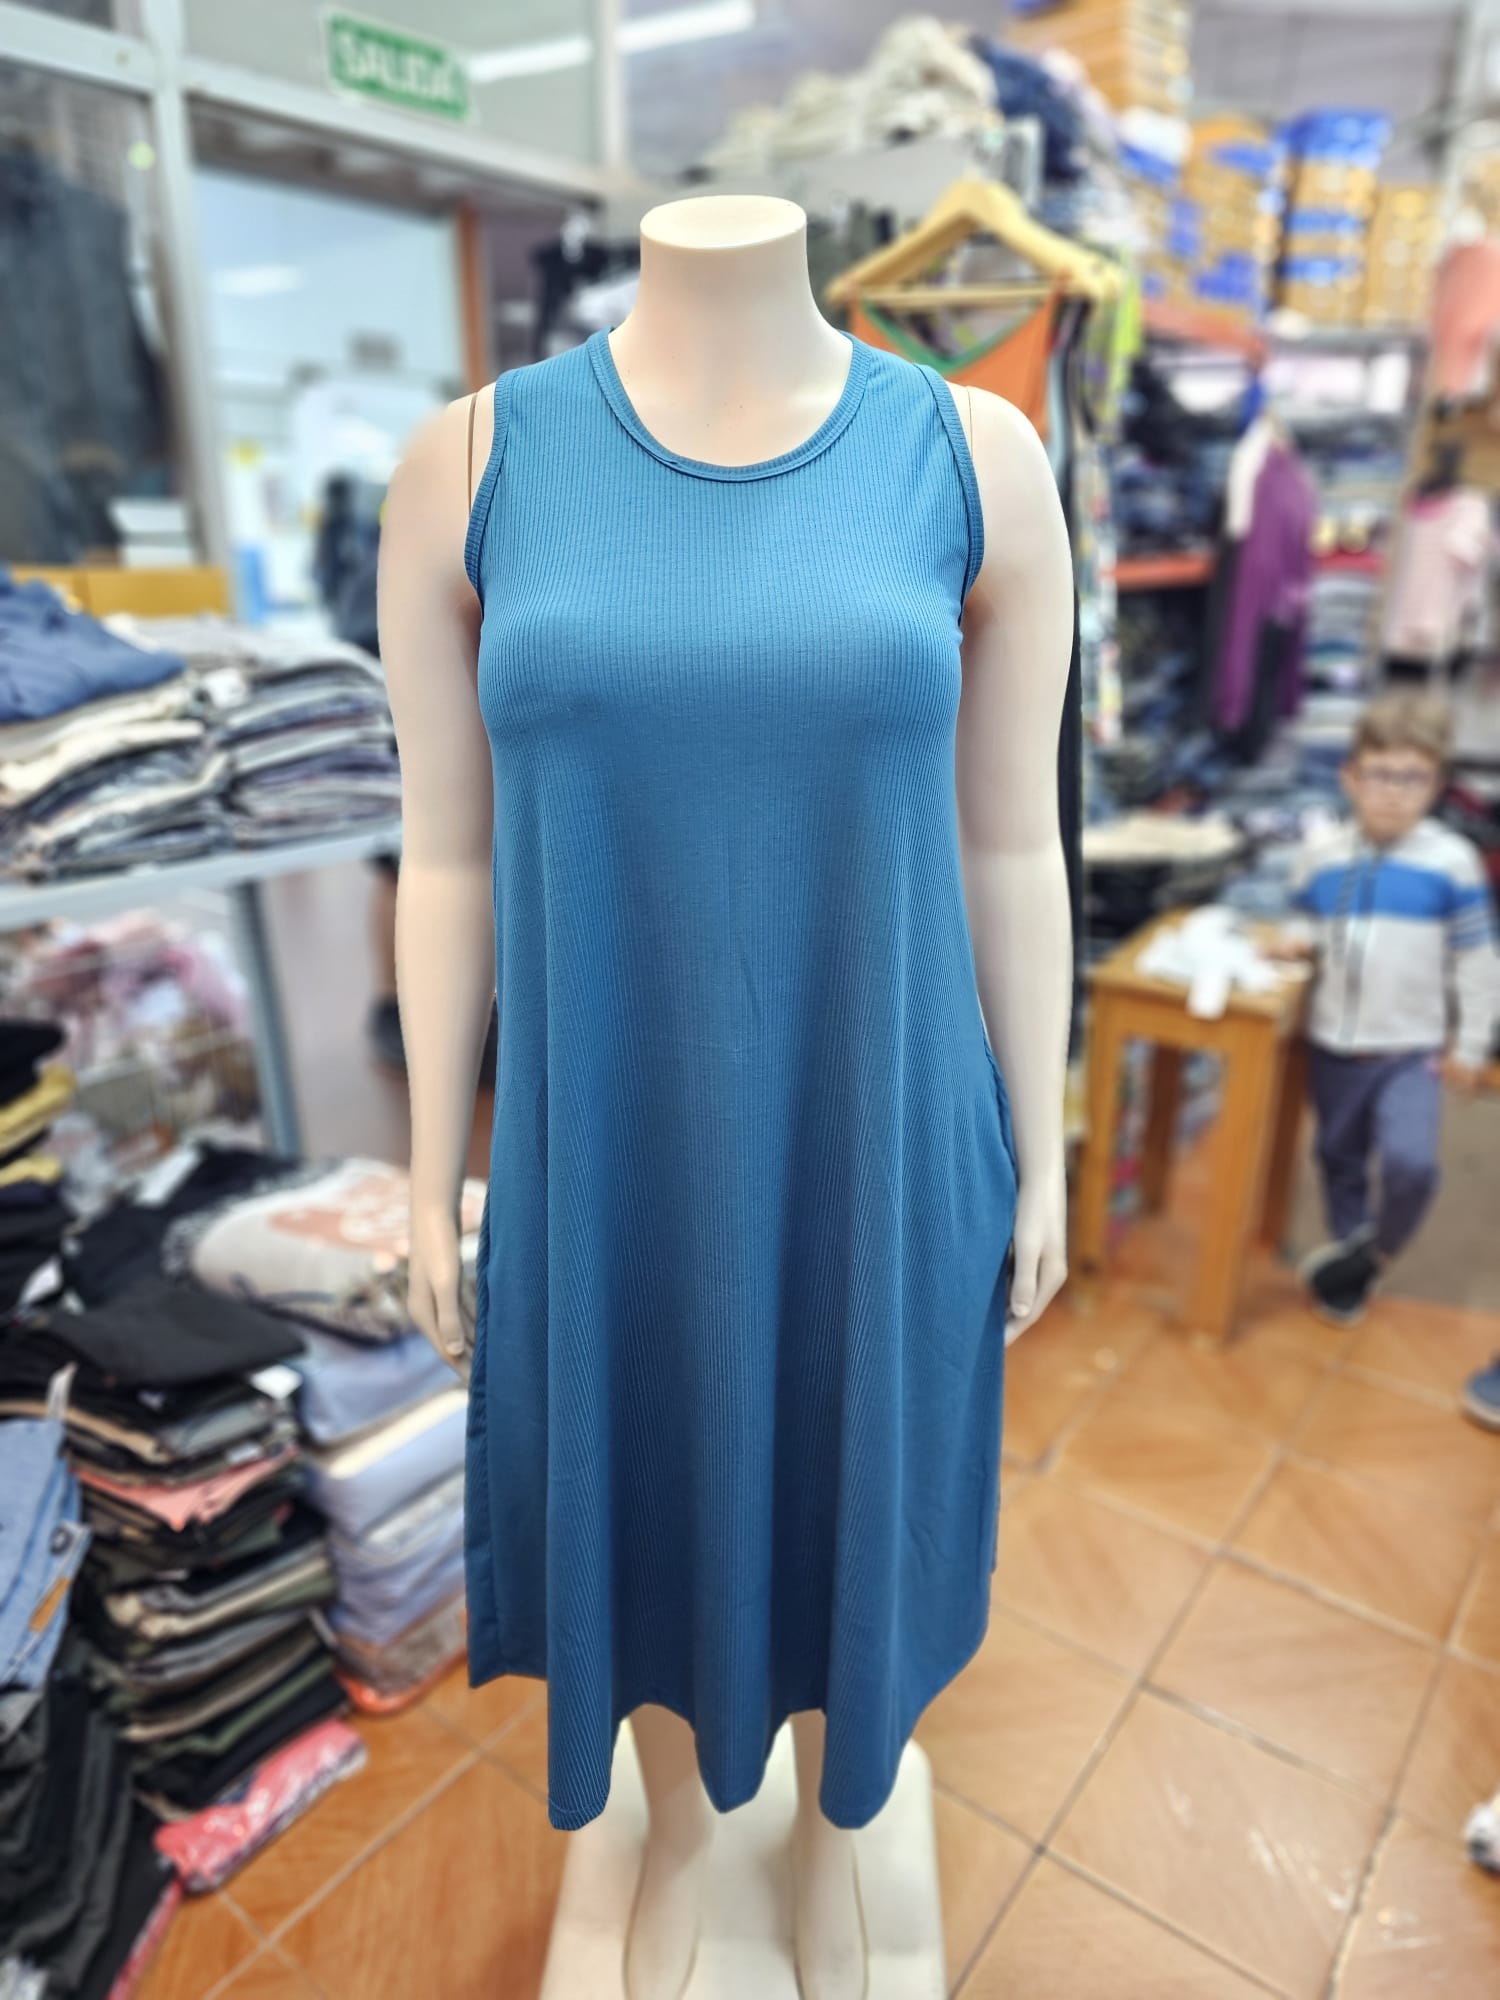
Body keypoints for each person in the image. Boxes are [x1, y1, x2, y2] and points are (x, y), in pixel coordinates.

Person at [1274, 692, 1498, 1329]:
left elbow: (1478, 961)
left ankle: (1375, 1254)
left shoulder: (1452, 864)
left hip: (1410, 1050)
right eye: (1381, 775)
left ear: (1437, 784)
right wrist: (1298, 938)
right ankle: (1351, 1262)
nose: (1395, 793)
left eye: (1413, 778)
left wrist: (1472, 1043)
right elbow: (1303, 916)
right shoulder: (1320, 856)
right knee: (1337, 1157)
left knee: (1410, 1163)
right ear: (1351, 777)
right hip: (1332, 1045)